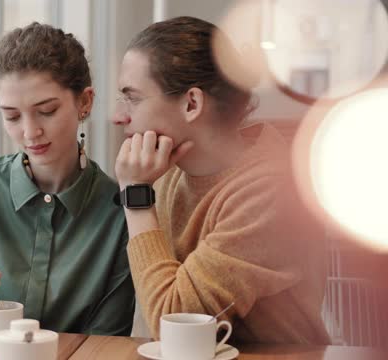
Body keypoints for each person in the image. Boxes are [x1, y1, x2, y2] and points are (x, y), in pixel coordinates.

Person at [111, 16, 330, 344]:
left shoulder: (269, 191)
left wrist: (135, 194)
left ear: (191, 103)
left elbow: (173, 325)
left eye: (133, 98)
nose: (119, 116)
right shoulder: (168, 171)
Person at [0, 22, 134, 335]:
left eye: (46, 110)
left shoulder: (120, 212)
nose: (29, 131)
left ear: (85, 102)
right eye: (11, 116)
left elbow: (108, 343)